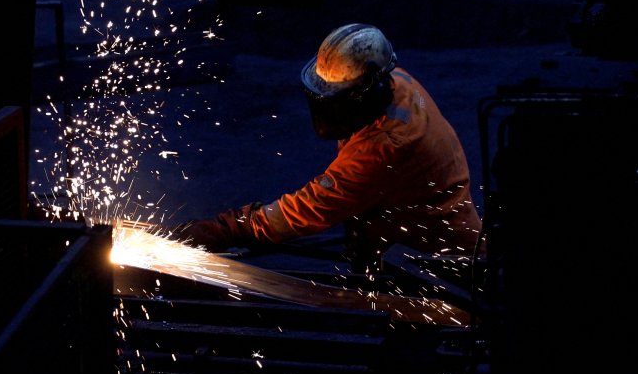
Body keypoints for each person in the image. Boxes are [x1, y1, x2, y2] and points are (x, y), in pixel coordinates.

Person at [174, 23, 484, 270]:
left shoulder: (385, 146)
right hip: (410, 225)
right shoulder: (395, 82)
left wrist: (230, 228)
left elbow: (311, 206)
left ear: (365, 90)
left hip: (436, 262)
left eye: (338, 98)